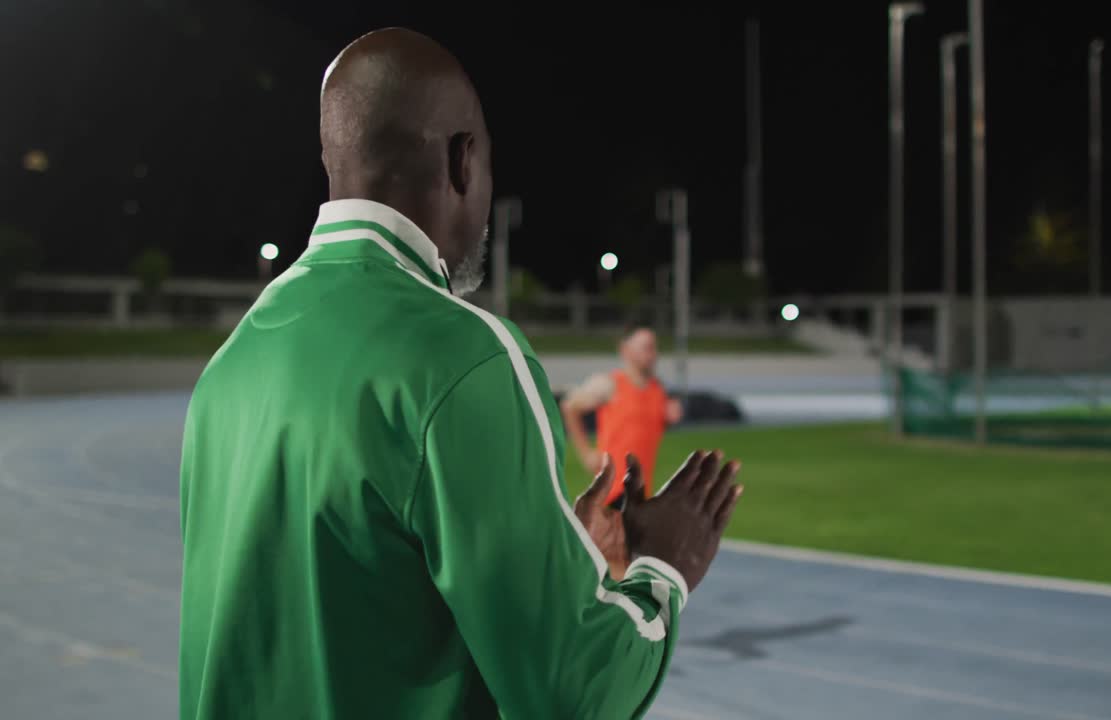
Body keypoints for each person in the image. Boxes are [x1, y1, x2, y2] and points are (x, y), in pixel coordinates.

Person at [178, 28, 742, 720]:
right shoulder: (464, 355)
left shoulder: (231, 363)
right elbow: (572, 693)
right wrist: (663, 569)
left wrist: (548, 553)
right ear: (464, 160)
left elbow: (338, 610)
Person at [561, 326, 683, 576]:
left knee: (626, 571)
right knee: (612, 571)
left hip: (640, 497)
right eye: (645, 347)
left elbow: (643, 432)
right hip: (612, 494)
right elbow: (569, 407)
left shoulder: (658, 391)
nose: (651, 354)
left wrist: (669, 419)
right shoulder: (609, 385)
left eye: (653, 348)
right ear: (625, 350)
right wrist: (586, 453)